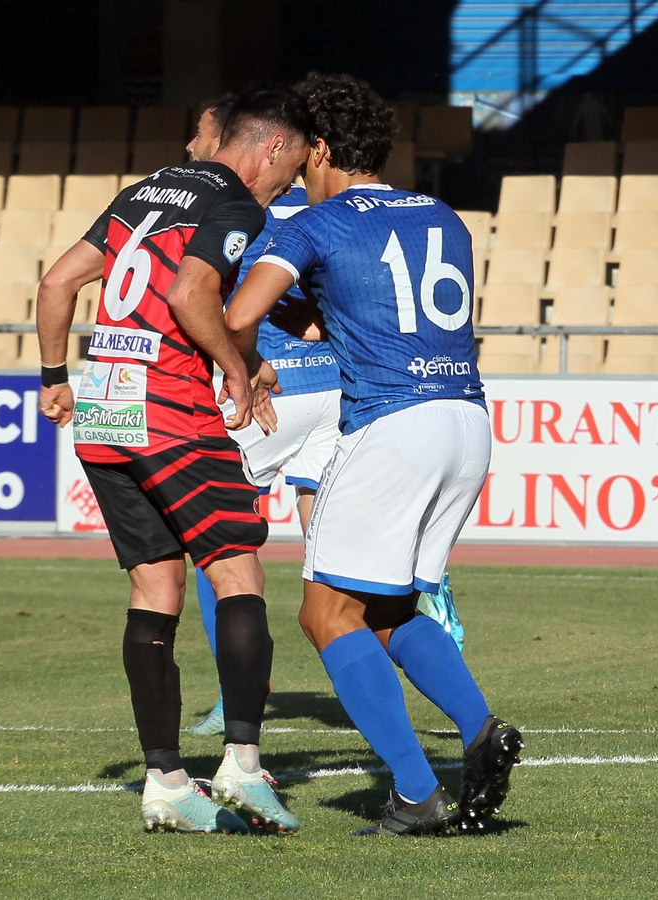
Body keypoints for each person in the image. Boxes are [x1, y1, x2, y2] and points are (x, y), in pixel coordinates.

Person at [226, 73, 521, 837]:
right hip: (466, 419)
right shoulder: (440, 214)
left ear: (320, 148)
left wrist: (250, 357)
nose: (292, 173)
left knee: (323, 613)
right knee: (388, 606)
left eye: (298, 159)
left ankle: (417, 795)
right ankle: (481, 728)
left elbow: (238, 313)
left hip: (392, 424)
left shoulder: (313, 224)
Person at [35, 86, 312, 834]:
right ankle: (244, 767)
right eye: (286, 176)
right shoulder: (235, 201)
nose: (283, 188)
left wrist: (54, 376)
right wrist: (232, 364)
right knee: (237, 570)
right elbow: (195, 293)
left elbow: (58, 280)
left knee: (155, 587)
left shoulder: (142, 190)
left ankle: (164, 781)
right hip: (170, 411)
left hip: (105, 412)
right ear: (272, 149)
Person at [182, 94, 466, 739]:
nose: (194, 150)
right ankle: (422, 598)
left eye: (200, 135)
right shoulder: (333, 204)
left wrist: (239, 365)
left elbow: (218, 304)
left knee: (216, 535)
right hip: (339, 386)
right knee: (331, 532)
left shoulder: (233, 203)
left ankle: (237, 690)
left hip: (267, 387)